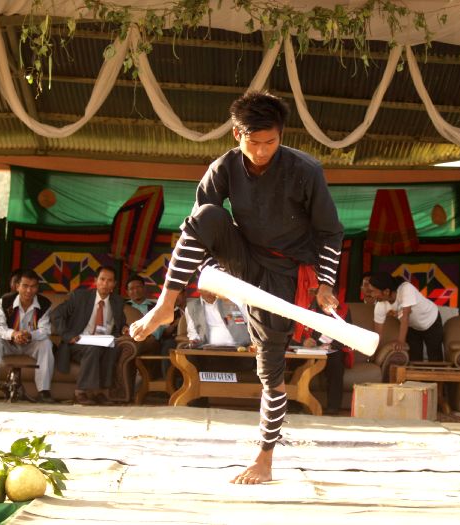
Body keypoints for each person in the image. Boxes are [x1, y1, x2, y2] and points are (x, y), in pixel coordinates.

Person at [130, 91, 343, 484]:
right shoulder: (224, 167)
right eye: (253, 141)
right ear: (236, 134)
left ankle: (265, 457)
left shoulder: (305, 170)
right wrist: (211, 272)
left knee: (270, 370)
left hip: (285, 275)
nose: (261, 151)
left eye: (270, 142)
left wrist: (325, 283)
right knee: (206, 215)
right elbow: (201, 229)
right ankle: (165, 304)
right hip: (242, 257)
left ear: (281, 136)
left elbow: (330, 233)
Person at [51, 266, 128, 406]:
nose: (105, 284)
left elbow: (121, 323)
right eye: (102, 279)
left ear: (114, 284)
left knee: (112, 348)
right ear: (95, 281)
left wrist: (124, 328)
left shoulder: (117, 302)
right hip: (78, 343)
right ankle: (81, 392)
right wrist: (68, 335)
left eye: (109, 281)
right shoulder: (80, 297)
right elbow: (56, 314)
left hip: (103, 342)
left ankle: (101, 393)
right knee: (94, 348)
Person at [0, 269, 55, 403]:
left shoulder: (45, 304)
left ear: (37, 288)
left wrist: (30, 335)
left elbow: (45, 330)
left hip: (31, 343)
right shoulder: (5, 301)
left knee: (46, 343)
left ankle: (44, 391)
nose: (29, 290)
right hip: (9, 343)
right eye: (25, 286)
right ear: (17, 286)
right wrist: (13, 334)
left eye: (33, 286)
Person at [294, 286, 351, 415]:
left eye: (331, 299)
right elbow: (293, 332)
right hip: (308, 349)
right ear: (317, 297)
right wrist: (304, 341)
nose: (328, 302)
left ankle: (333, 407)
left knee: (336, 362)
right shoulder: (306, 307)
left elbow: (349, 336)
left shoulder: (344, 310)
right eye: (325, 298)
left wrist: (332, 346)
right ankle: (295, 404)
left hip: (332, 349)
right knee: (296, 363)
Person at [365, 272, 444, 362]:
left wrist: (400, 341)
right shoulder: (380, 306)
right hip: (412, 327)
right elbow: (377, 334)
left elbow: (405, 317)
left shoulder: (406, 289)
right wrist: (372, 355)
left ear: (386, 291)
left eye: (373, 291)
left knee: (435, 358)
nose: (371, 295)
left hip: (431, 321)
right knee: (414, 359)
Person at [126, 275, 182, 378]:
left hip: (153, 340)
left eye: (138, 287)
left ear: (144, 288)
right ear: (127, 292)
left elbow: (162, 327)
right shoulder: (124, 307)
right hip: (130, 340)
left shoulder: (156, 307)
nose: (135, 291)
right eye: (131, 289)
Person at [184, 290, 251, 347]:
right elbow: (193, 334)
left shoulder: (233, 302)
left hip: (238, 349)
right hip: (208, 351)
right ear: (199, 289)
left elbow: (250, 321)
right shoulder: (192, 308)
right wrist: (195, 341)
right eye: (206, 287)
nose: (210, 291)